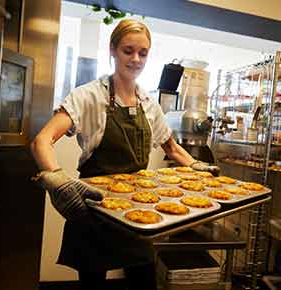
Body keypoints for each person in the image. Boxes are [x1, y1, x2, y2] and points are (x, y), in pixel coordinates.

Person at [31, 19, 219, 290]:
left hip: (137, 211)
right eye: (128, 50)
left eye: (143, 53)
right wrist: (58, 180)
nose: (136, 59)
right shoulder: (88, 96)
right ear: (112, 50)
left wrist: (196, 165)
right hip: (94, 208)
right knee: (92, 282)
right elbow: (42, 141)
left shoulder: (148, 103)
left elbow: (172, 148)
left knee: (143, 280)